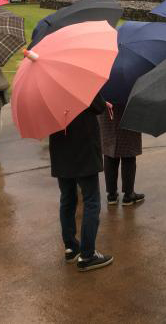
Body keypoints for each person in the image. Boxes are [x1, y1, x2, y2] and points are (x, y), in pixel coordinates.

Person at [49, 93, 113, 271]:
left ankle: (71, 247)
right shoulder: (78, 80)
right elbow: (98, 106)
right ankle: (88, 254)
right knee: (92, 200)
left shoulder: (48, 88)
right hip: (83, 145)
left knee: (67, 198)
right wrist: (100, 101)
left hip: (60, 145)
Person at [99, 103, 144, 206]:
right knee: (128, 151)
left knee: (110, 151)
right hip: (128, 111)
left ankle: (111, 195)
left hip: (107, 111)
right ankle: (128, 195)